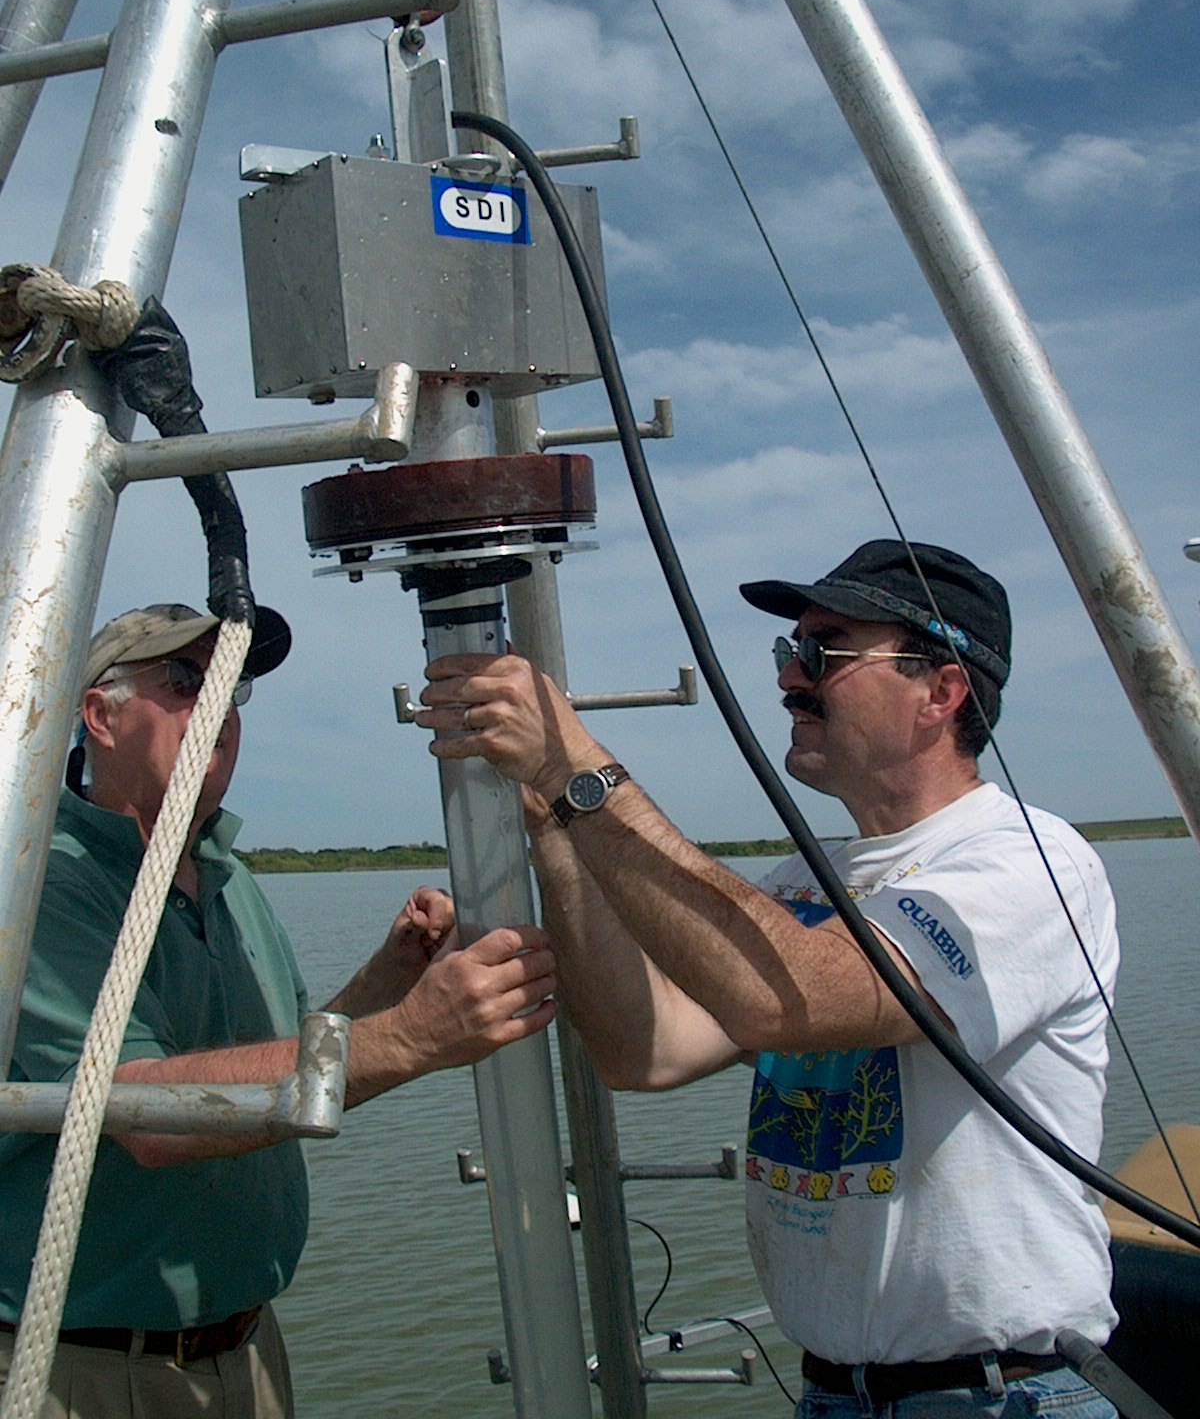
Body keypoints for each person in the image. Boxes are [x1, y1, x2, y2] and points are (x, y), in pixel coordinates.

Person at [418, 540, 1120, 1418]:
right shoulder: (802, 880)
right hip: (833, 1393)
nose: (791, 678)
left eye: (824, 652)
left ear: (941, 693)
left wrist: (578, 770)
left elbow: (797, 999)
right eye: (790, 653)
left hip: (997, 1397)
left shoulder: (1029, 866)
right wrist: (556, 823)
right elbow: (648, 1052)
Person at [0, 602, 556, 1419]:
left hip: (248, 1353)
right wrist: (412, 1036)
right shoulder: (40, 884)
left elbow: (282, 1062)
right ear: (99, 716)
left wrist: (392, 974)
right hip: (86, 1371)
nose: (218, 708)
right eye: (187, 681)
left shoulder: (229, 878)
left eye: (233, 687)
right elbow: (143, 1113)